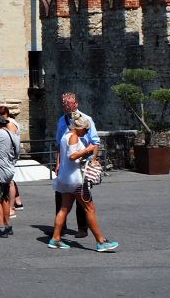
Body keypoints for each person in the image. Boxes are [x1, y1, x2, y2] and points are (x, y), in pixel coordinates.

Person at [48, 113, 119, 252]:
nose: (86, 132)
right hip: (76, 179)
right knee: (89, 209)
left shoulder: (65, 136)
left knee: (64, 208)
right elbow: (72, 156)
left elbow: (68, 156)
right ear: (78, 127)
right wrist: (87, 150)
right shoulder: (74, 137)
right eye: (85, 130)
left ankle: (55, 238)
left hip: (65, 178)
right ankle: (101, 241)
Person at [54, 93, 99, 238]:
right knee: (68, 201)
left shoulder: (86, 120)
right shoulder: (62, 121)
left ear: (76, 104)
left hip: (81, 164)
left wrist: (92, 159)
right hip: (71, 167)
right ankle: (60, 230)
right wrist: (58, 162)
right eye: (64, 103)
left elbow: (95, 141)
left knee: (75, 204)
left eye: (69, 103)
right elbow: (61, 147)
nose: (66, 106)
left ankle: (82, 228)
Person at [0, 105, 25, 213]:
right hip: (8, 154)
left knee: (9, 181)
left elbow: (11, 138)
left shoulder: (10, 123)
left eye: (1, 115)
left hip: (9, 154)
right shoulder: (7, 123)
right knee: (10, 178)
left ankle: (11, 207)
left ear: (6, 114)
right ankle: (17, 202)